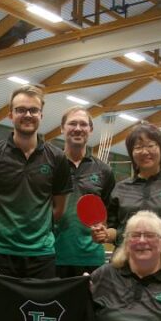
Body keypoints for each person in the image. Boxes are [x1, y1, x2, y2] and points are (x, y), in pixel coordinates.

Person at [0, 85, 72, 279]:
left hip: (41, 256)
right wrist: (0, 228)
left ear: (41, 115)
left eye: (33, 110)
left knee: (39, 310)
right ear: (10, 115)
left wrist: (37, 231)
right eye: (20, 110)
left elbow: (58, 209)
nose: (28, 114)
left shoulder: (58, 158)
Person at [105, 124, 161, 265]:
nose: (144, 151)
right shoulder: (120, 188)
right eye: (138, 147)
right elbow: (114, 229)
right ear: (132, 153)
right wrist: (104, 234)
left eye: (150, 145)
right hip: (124, 266)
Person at [53, 106, 115, 278]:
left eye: (83, 124)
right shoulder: (51, 166)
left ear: (91, 129)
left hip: (91, 259)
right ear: (62, 128)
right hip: (53, 257)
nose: (78, 128)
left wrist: (105, 231)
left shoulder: (104, 170)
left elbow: (111, 214)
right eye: (72, 123)